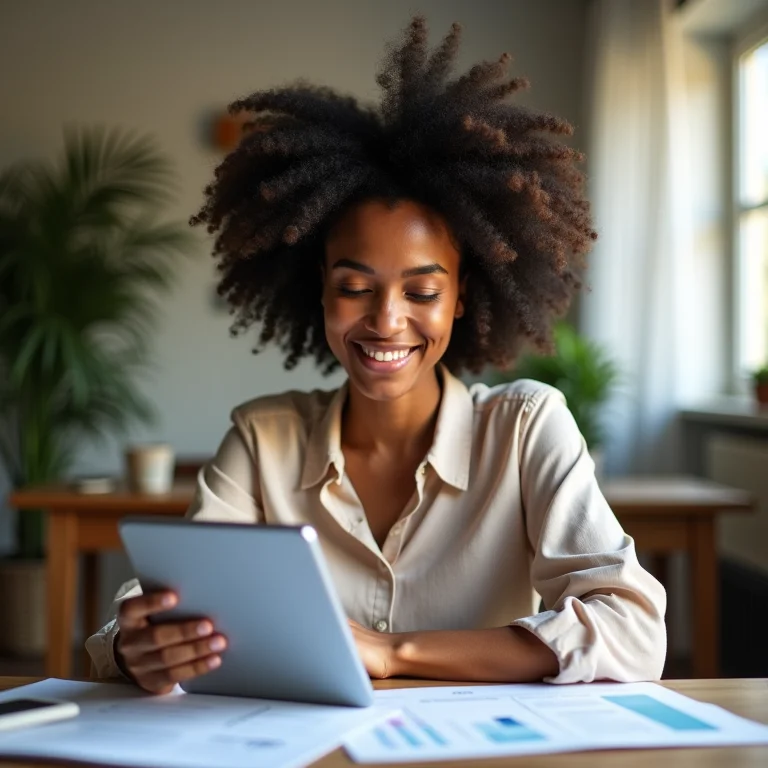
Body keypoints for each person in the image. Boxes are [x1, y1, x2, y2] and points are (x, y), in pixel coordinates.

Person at [86, 17, 666, 695]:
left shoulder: (526, 428)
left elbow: (633, 631)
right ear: (321, 293)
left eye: (421, 289)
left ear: (459, 298)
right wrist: (139, 647)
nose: (386, 320)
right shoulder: (263, 436)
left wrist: (397, 652)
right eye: (355, 287)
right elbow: (168, 599)